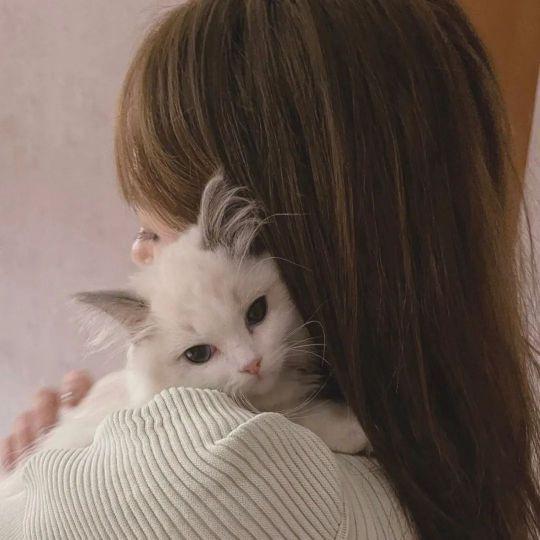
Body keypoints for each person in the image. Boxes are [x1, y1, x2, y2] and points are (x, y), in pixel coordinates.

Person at [2, 0, 540, 538]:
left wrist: (50, 480)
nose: (139, 255)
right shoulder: (478, 437)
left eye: (151, 233)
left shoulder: (221, 471)